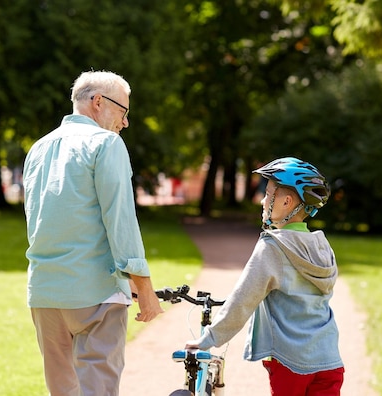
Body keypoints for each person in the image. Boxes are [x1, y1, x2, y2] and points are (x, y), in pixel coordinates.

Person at [23, 70, 163, 396]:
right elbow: (121, 219)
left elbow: (37, 219)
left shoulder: (38, 149)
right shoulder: (106, 143)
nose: (125, 122)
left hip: (44, 294)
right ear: (98, 102)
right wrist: (144, 287)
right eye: (123, 111)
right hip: (95, 295)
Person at [185, 157, 344, 396]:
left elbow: (244, 299)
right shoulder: (321, 245)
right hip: (329, 359)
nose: (262, 200)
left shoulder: (273, 248)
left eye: (268, 194)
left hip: (291, 363)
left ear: (286, 201)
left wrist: (209, 338)